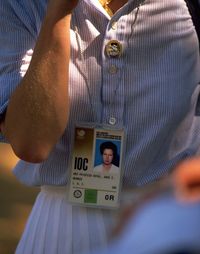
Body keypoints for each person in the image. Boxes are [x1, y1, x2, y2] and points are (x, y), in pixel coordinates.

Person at [0, 0, 200, 253]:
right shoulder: (22, 5)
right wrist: (57, 16)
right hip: (59, 228)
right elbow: (31, 144)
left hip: (169, 223)